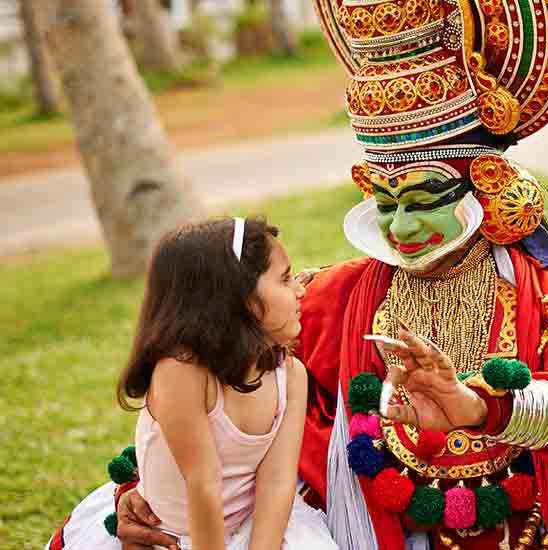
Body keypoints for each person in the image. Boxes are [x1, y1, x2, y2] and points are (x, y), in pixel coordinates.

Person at [77, 0, 548, 548]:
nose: (401, 230)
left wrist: (477, 408)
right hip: (376, 523)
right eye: (386, 202)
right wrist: (142, 489)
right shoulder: (341, 296)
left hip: (535, 522)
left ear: (484, 186)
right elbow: (226, 383)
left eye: (424, 199)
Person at [47, 218, 336, 550]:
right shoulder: (181, 372)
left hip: (254, 527)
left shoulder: (292, 376)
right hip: (181, 536)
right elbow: (203, 483)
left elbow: (276, 481)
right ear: (238, 299)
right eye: (284, 278)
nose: (300, 288)